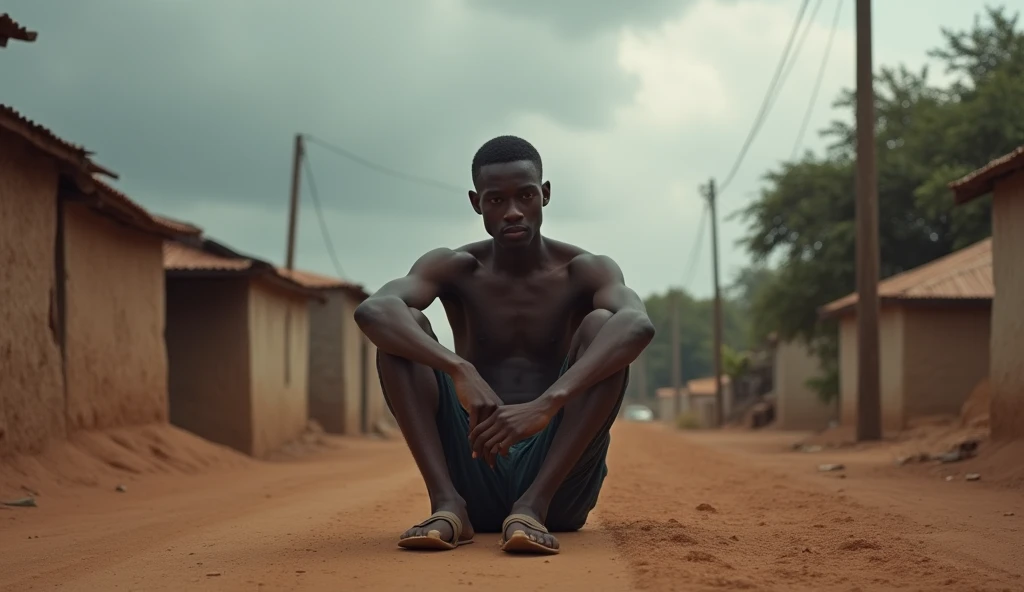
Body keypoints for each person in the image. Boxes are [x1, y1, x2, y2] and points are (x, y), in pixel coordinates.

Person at [355, 135, 655, 555]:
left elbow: (638, 325)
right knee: (405, 329)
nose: (512, 211)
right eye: (496, 200)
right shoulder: (455, 266)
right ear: (477, 203)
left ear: (545, 194)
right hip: (477, 458)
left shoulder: (584, 271)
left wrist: (547, 403)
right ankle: (447, 504)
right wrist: (461, 369)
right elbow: (374, 311)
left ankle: (531, 505)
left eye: (526, 196)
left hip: (557, 483)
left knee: (606, 327)